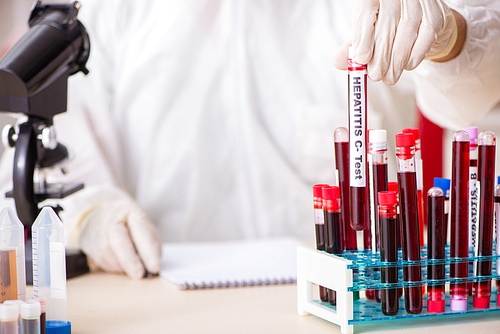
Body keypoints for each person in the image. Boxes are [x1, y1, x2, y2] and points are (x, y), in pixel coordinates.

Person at [0, 0, 499, 279]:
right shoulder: (111, 12)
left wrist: (450, 36)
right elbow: (55, 150)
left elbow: (478, 95)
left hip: (355, 298)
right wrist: (89, 213)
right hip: (168, 304)